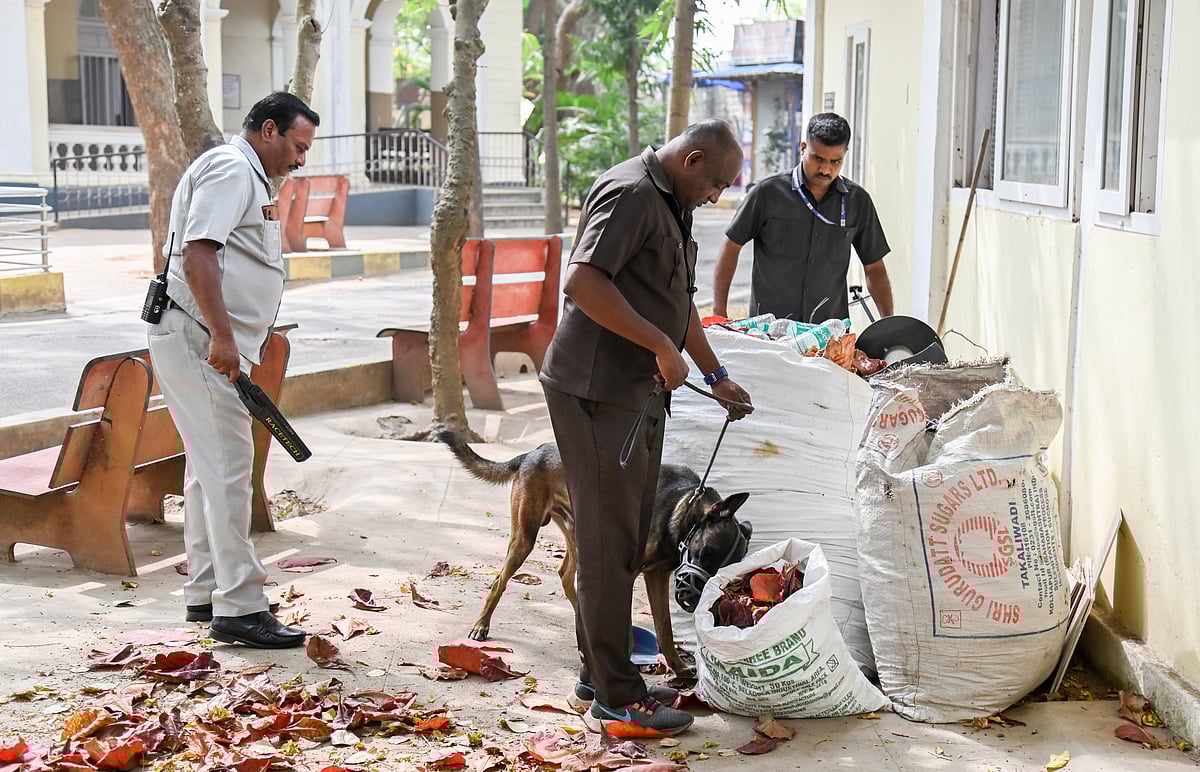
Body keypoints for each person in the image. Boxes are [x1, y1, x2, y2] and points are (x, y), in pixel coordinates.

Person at [539, 120, 754, 736]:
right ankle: (615, 698)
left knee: (629, 540)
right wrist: (660, 345)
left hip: (637, 394)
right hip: (596, 390)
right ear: (690, 160)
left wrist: (715, 377)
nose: (716, 196)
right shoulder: (632, 191)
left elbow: (679, 301)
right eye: (714, 182)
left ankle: (597, 671)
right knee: (608, 545)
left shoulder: (672, 202)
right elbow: (582, 281)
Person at [147, 92, 319, 649]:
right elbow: (199, 253)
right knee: (228, 466)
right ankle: (242, 607)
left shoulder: (248, 175)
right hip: (198, 336)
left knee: (208, 467)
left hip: (199, 335)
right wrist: (223, 337)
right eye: (297, 146)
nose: (300, 160)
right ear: (268, 129)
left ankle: (206, 591)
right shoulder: (230, 168)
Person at [712, 112, 894, 324]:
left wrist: (889, 325)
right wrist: (719, 313)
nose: (826, 169)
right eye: (818, 158)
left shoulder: (857, 201)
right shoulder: (767, 193)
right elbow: (731, 247)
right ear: (803, 148)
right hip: (770, 331)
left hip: (828, 334)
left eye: (836, 161)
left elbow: (874, 268)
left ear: (845, 154)